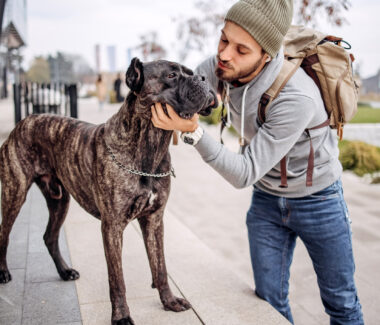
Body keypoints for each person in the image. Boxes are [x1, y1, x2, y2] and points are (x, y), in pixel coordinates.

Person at [151, 0, 364, 324]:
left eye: (241, 49)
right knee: (269, 303)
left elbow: (244, 172)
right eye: (224, 40)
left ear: (267, 55)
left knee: (341, 304)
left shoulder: (297, 96)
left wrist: (192, 132)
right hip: (267, 201)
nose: (224, 55)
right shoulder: (221, 66)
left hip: (319, 201)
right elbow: (185, 91)